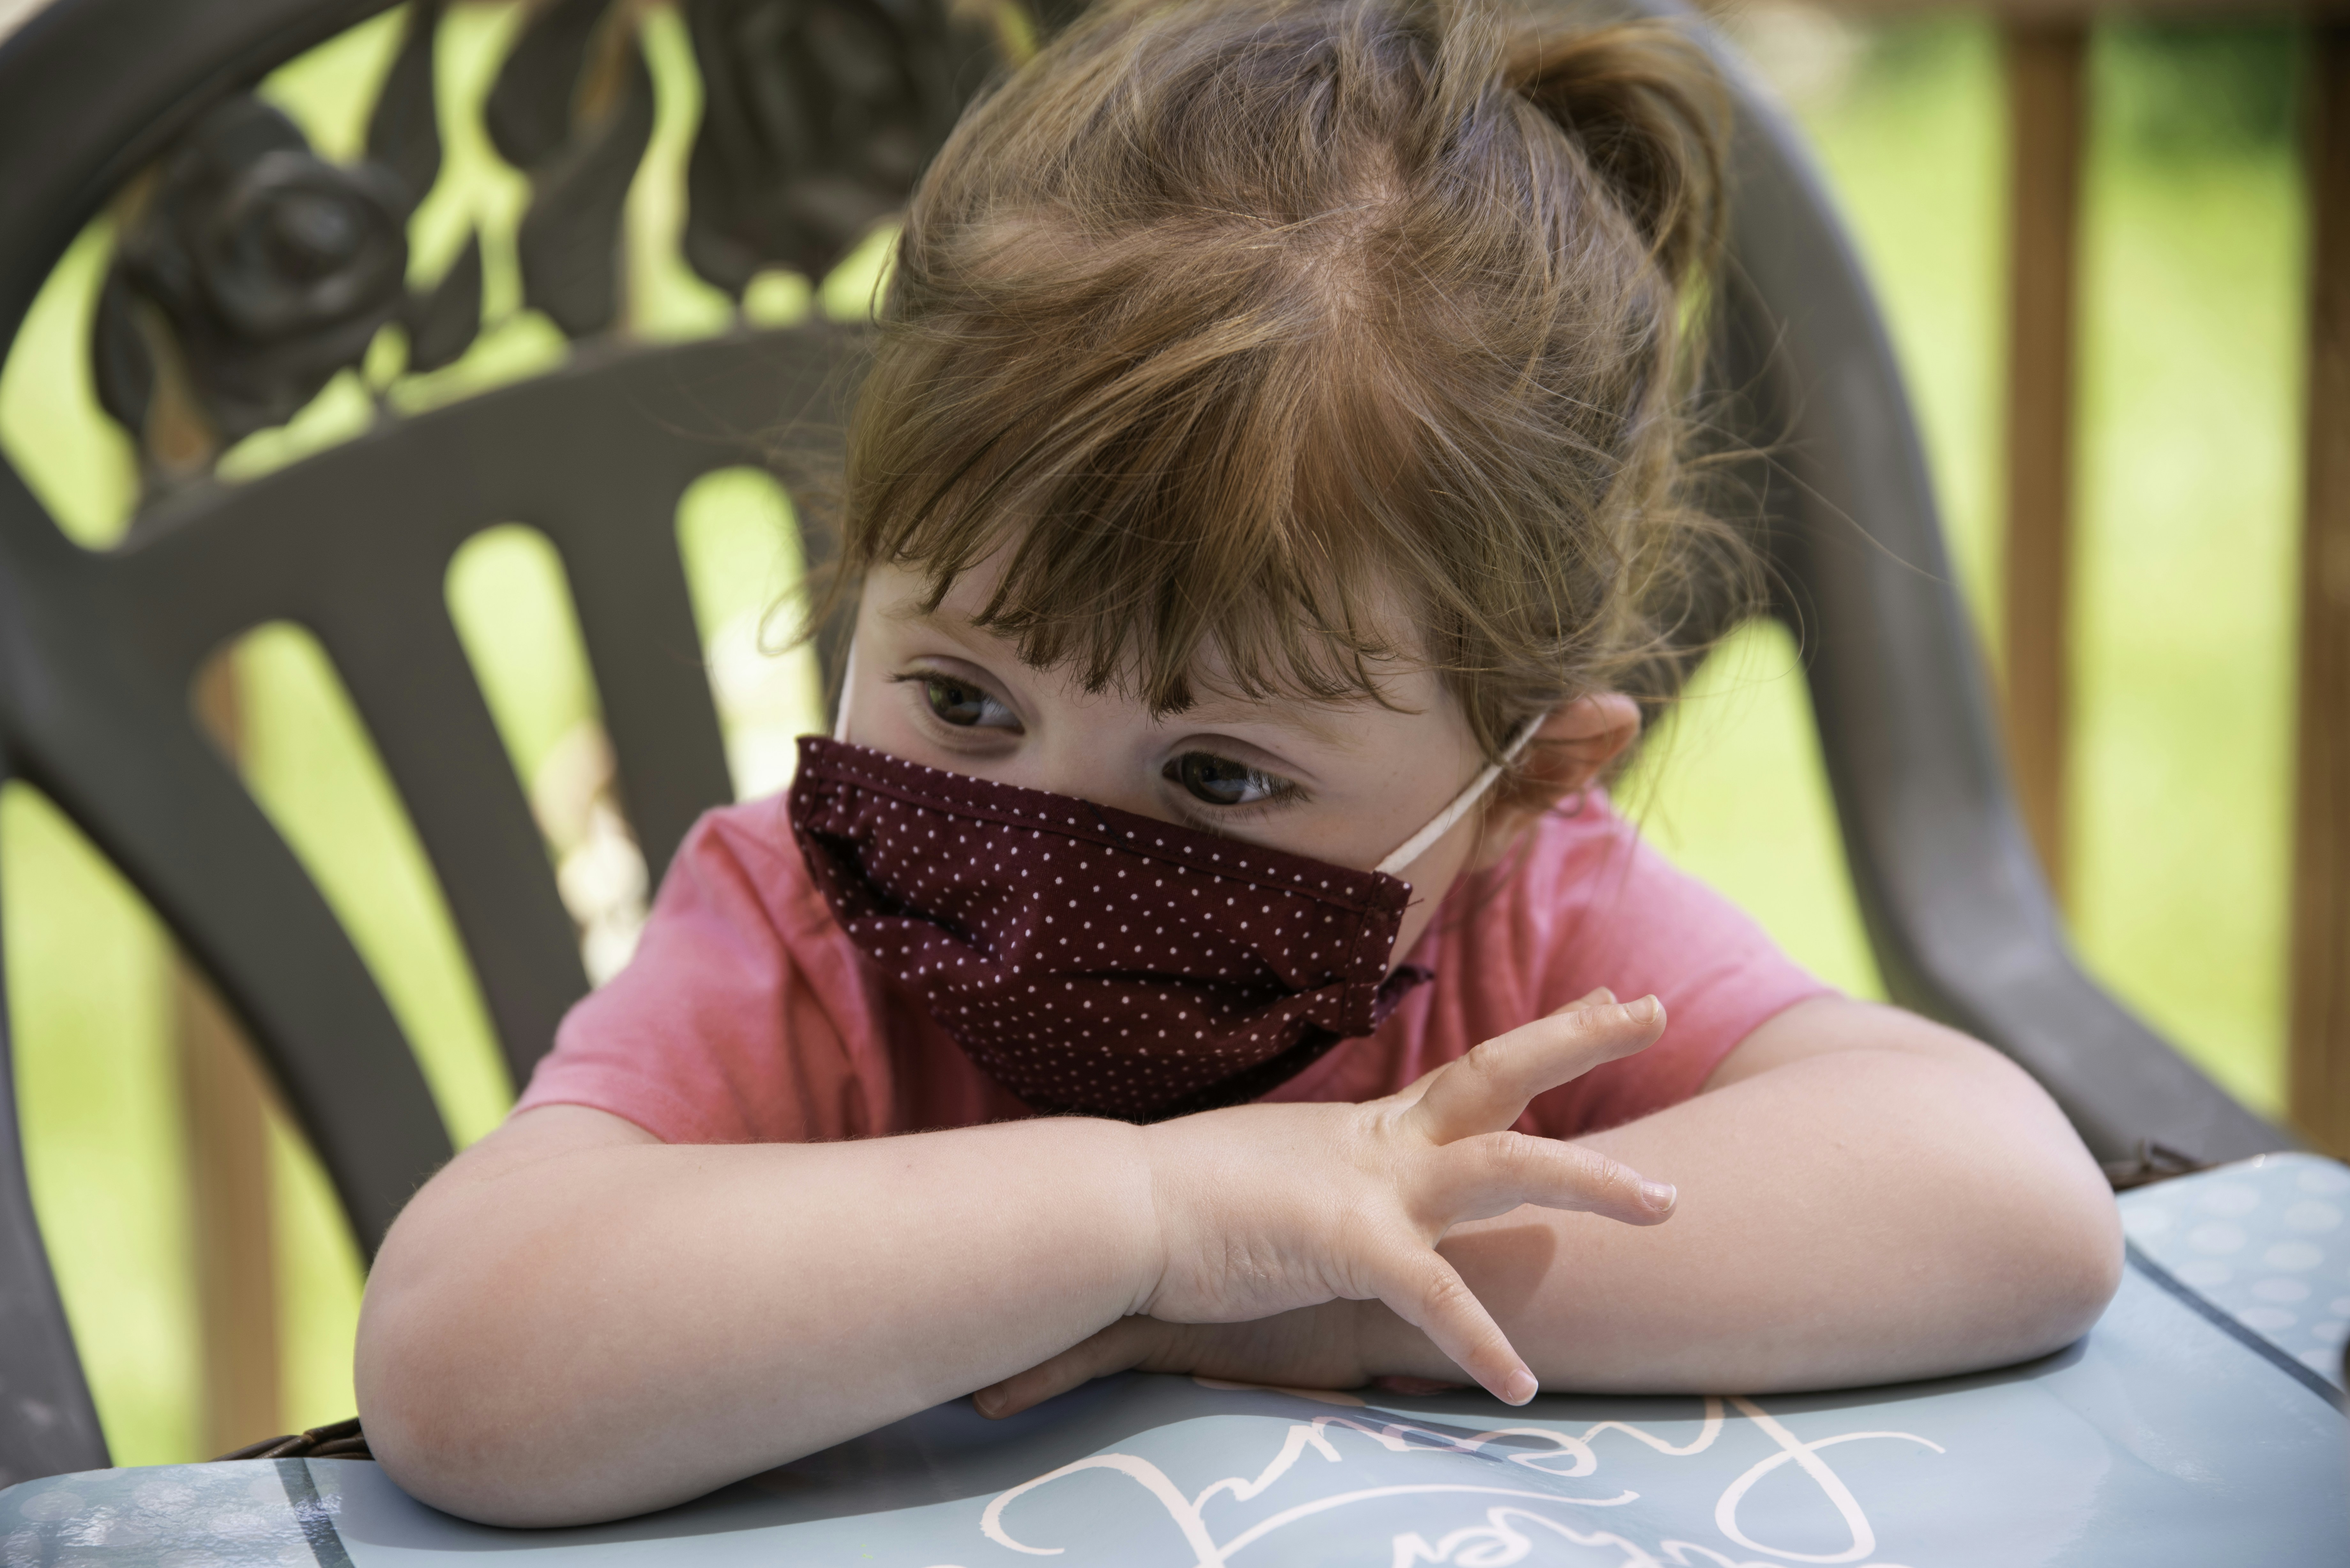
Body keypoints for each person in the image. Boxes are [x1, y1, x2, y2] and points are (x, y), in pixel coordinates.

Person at [354, 0, 2122, 1527]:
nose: (1037, 834)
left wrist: (1336, 1297)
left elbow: (2007, 1202)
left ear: (1521, 788)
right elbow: (459, 1357)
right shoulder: (796, 940)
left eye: (1215, 778)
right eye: (964, 704)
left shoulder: (1527, 937)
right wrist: (1147, 1214)